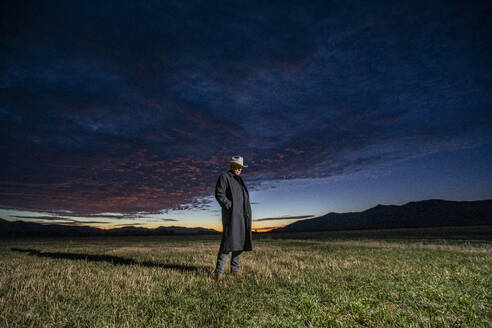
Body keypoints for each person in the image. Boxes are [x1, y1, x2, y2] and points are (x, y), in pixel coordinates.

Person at [213, 155, 253, 281]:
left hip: (242, 216)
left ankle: (235, 270)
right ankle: (219, 272)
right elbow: (219, 194)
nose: (238, 169)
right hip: (231, 216)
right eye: (236, 167)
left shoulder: (240, 180)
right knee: (228, 243)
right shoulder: (224, 177)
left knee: (240, 242)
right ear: (231, 166)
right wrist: (230, 206)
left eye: (240, 167)